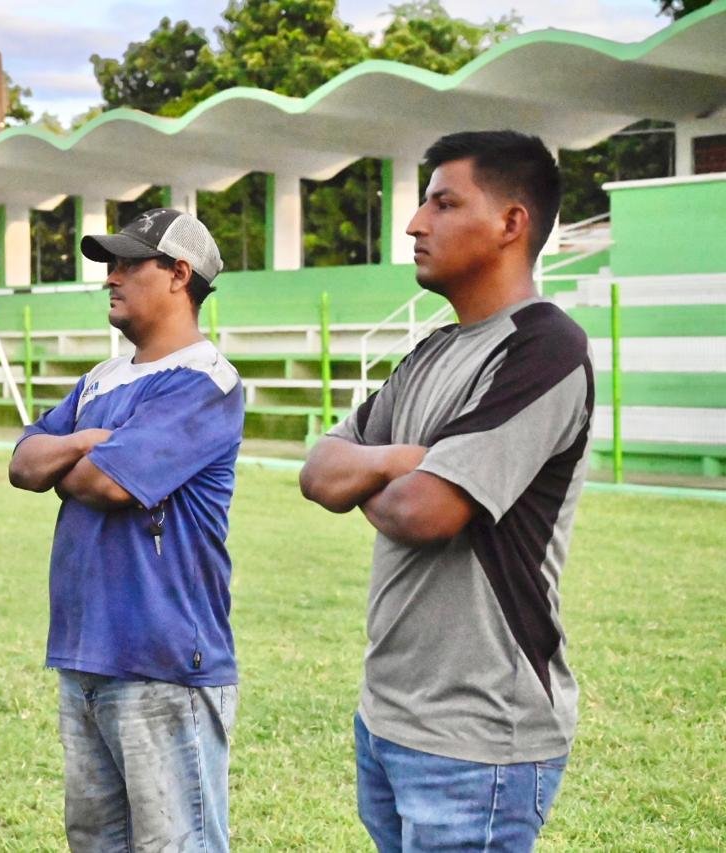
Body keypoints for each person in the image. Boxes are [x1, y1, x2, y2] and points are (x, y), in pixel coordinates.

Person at [300, 130, 593, 851]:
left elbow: (423, 511)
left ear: (511, 222)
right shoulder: (431, 351)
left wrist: (380, 476)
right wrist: (411, 457)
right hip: (388, 716)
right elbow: (318, 471)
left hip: (478, 735)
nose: (414, 223)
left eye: (443, 202)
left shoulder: (544, 348)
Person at [9, 208, 245, 852]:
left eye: (127, 264)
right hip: (85, 654)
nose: (110, 277)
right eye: (109, 265)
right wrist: (88, 440)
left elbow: (105, 485)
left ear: (179, 274)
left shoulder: (207, 382)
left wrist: (73, 458)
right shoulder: (100, 380)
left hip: (164, 663)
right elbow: (23, 464)